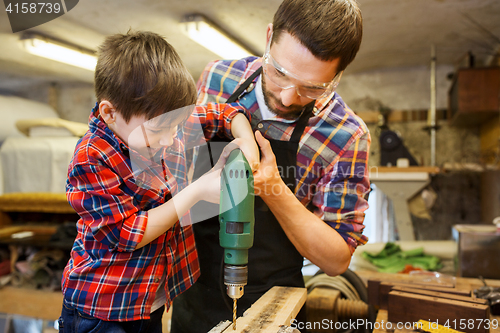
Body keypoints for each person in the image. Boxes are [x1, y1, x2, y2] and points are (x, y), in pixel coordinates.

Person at [170, 0, 371, 331]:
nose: (289, 96)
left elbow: (336, 260)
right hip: (192, 291)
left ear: (338, 75)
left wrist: (274, 190)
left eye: (312, 87)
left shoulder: (347, 136)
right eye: (279, 73)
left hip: (277, 303)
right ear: (268, 38)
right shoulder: (218, 78)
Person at [58, 31, 258, 333]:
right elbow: (127, 234)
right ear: (110, 113)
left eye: (176, 126)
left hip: (149, 301)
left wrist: (246, 141)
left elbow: (225, 113)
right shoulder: (92, 156)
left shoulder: (166, 123)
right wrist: (196, 192)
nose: (170, 140)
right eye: (159, 131)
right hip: (103, 309)